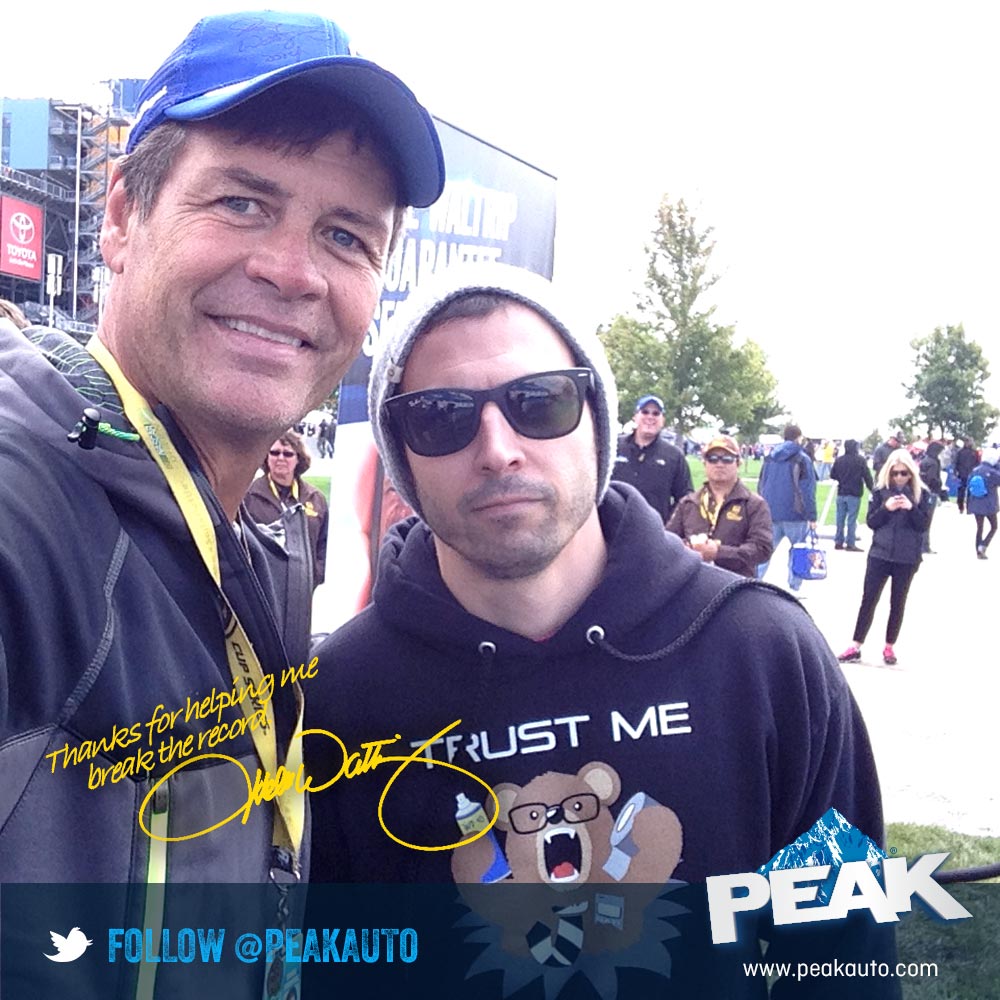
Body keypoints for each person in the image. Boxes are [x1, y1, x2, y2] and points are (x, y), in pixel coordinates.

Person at [305, 265, 893, 993]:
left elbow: (846, 964)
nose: (497, 448)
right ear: (401, 455)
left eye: (539, 401)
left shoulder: (764, 655)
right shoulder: (340, 695)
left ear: (597, 418)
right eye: (441, 416)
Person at [0, 0, 442, 951]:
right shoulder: (21, 511)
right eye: (243, 202)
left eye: (346, 236)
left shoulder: (259, 550)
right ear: (122, 216)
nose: (294, 271)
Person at [837, 450, 931, 667]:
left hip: (906, 557)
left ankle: (889, 645)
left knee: (897, 601)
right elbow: (871, 521)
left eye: (904, 473)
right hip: (880, 553)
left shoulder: (921, 494)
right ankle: (856, 645)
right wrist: (886, 508)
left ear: (911, 473)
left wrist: (911, 508)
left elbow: (923, 525)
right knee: (868, 599)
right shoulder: (880, 491)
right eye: (895, 473)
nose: (899, 478)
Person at [665, 433, 773, 577]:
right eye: (712, 458)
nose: (719, 464)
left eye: (727, 459)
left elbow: (763, 549)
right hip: (694, 582)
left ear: (738, 463)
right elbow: (668, 541)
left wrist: (718, 552)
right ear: (705, 464)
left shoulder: (754, 504)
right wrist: (689, 548)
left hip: (735, 583)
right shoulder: (689, 503)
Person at [244, 429, 330, 587]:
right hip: (263, 587)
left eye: (288, 454)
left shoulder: (315, 498)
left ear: (298, 459)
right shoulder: (248, 496)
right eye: (274, 453)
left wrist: (315, 576)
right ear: (266, 457)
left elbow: (324, 545)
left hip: (304, 588)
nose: (280, 458)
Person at [611, 393, 692, 523]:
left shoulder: (674, 456)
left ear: (662, 420)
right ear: (635, 417)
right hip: (612, 525)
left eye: (656, 413)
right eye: (645, 412)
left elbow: (685, 498)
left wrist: (669, 524)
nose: (650, 417)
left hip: (653, 529)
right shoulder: (613, 447)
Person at [756, 423, 818, 592]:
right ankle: (794, 587)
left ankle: (754, 581)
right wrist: (812, 516)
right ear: (799, 437)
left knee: (765, 551)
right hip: (795, 513)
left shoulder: (770, 457)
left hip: (770, 510)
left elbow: (761, 483)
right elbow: (808, 490)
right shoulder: (802, 459)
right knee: (798, 551)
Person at [830, 438, 874, 551]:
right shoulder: (860, 460)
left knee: (840, 518)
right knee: (851, 519)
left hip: (841, 492)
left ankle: (838, 541)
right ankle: (850, 543)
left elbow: (832, 475)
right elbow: (867, 476)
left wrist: (841, 478)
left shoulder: (839, 460)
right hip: (854, 492)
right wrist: (872, 489)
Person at [967, 448, 1000, 559]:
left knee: (979, 527)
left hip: (976, 502)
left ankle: (978, 550)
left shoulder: (975, 470)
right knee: (994, 526)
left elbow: (969, 487)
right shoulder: (993, 472)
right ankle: (984, 545)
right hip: (989, 503)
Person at [918, 440, 945, 553]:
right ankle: (925, 545)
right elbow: (932, 478)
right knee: (928, 519)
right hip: (931, 492)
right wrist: (940, 484)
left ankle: (921, 544)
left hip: (922, 491)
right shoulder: (934, 463)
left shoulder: (924, 460)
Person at [953, 438, 979, 514]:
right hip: (962, 474)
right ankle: (961, 506)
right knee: (961, 491)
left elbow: (977, 463)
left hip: (970, 474)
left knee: (969, 491)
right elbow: (956, 463)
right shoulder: (960, 452)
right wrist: (955, 472)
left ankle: (968, 508)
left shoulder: (974, 452)